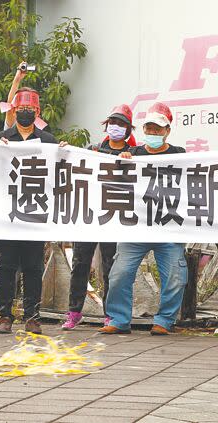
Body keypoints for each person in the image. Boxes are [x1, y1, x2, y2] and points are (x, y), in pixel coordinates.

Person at [101, 102, 187, 336]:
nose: (153, 133)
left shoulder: (180, 155)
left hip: (168, 229)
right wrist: (124, 160)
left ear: (167, 130)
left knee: (176, 277)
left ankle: (164, 321)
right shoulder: (134, 154)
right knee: (119, 273)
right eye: (149, 128)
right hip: (136, 228)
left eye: (158, 129)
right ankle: (119, 319)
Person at [62, 104, 135, 331]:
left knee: (110, 266)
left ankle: (110, 315)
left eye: (121, 124)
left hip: (115, 216)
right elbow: (74, 167)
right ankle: (74, 312)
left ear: (128, 129)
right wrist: (66, 150)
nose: (115, 127)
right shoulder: (92, 149)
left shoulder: (135, 154)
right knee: (80, 264)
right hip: (90, 216)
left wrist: (129, 159)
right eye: (112, 122)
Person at [0, 87, 58, 335]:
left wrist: (63, 152)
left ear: (37, 112)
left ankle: (32, 316)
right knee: (6, 266)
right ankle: (4, 316)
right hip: (7, 214)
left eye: (30, 109)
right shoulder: (0, 139)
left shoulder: (49, 142)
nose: (26, 112)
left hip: (34, 213)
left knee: (33, 267)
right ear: (14, 110)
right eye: (21, 109)